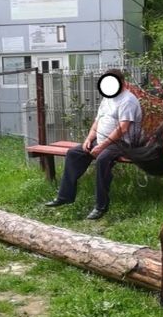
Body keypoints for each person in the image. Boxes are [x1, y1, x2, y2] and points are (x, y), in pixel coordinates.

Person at [45, 68, 143, 220]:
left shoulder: (128, 100)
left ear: (122, 83)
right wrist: (89, 139)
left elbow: (123, 128)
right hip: (102, 140)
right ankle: (65, 196)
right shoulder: (107, 98)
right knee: (74, 153)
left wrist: (101, 147)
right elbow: (97, 121)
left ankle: (100, 206)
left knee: (102, 159)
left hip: (123, 143)